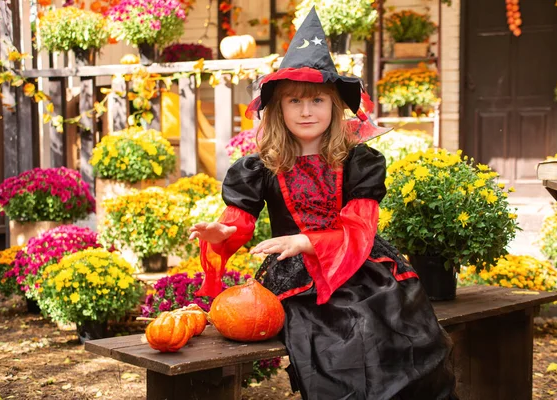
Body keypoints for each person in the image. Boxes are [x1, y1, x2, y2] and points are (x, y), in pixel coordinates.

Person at [189, 7, 458, 400]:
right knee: (331, 338)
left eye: (317, 99)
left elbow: (359, 225)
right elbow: (239, 220)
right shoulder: (261, 166)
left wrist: (309, 241)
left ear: (334, 106)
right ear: (279, 108)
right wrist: (223, 232)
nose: (306, 110)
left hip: (362, 265)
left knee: (389, 324)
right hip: (295, 274)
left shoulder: (358, 162)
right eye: (295, 101)